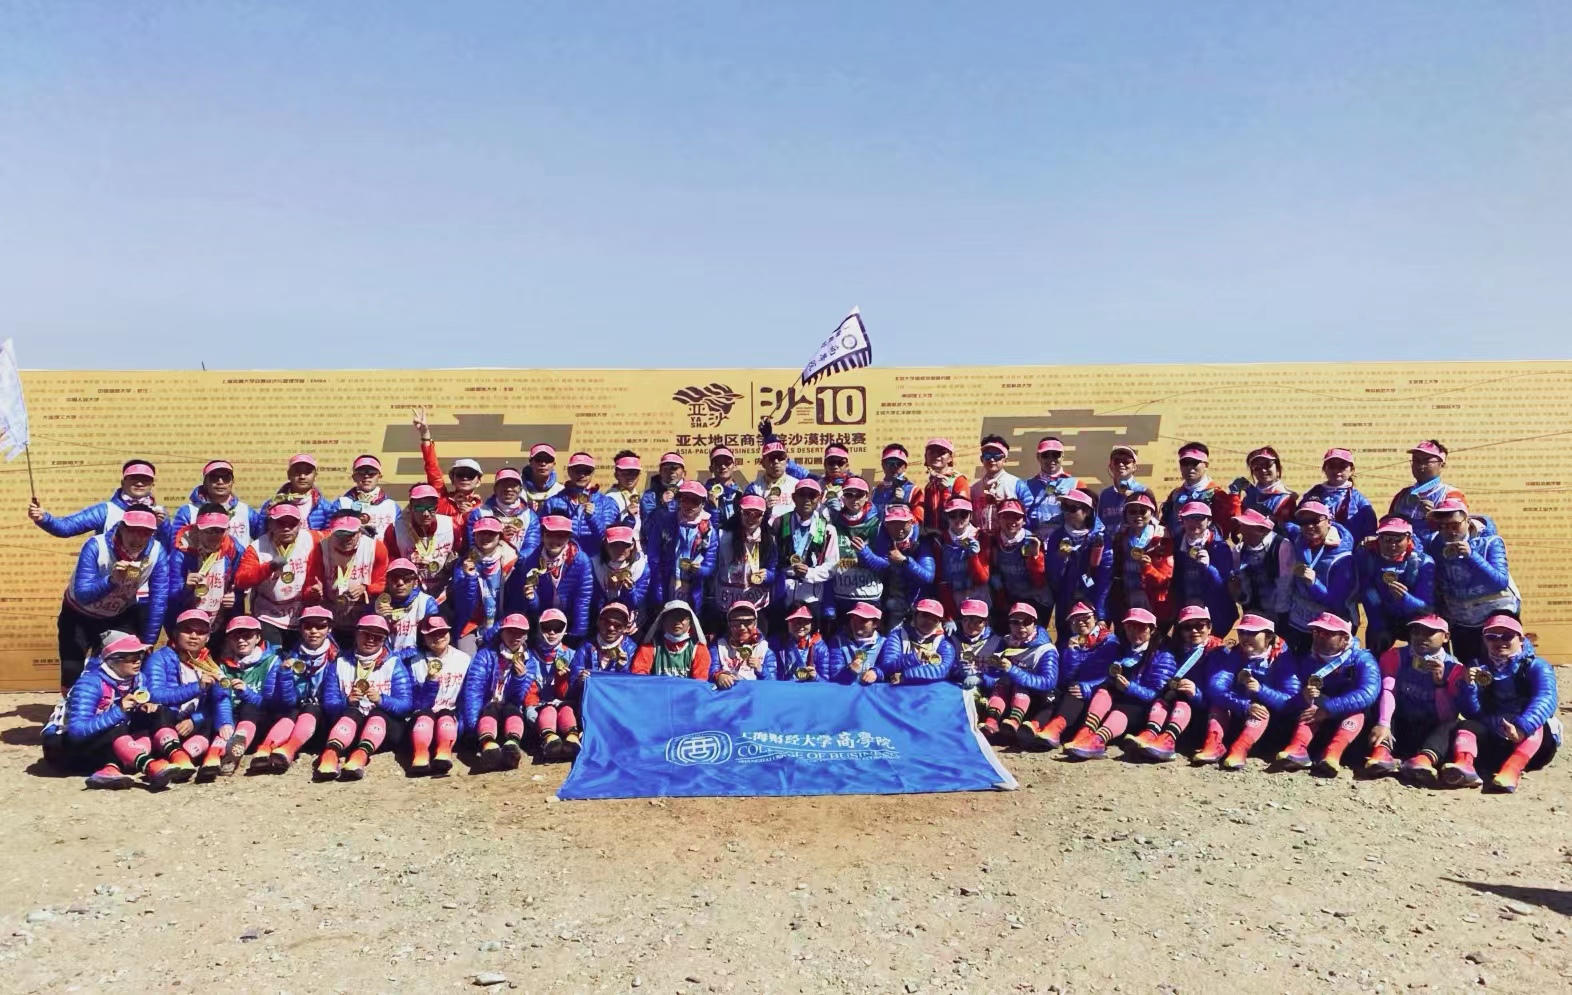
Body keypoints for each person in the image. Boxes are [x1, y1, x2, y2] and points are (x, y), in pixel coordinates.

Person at [58, 507, 171, 692]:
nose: (138, 539)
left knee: (121, 667)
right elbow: (82, 595)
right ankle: (71, 707)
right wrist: (111, 581)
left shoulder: (157, 552)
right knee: (72, 672)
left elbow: (159, 600)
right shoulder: (96, 546)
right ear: (122, 528)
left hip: (118, 615)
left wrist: (149, 641)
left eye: (145, 532)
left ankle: (113, 707)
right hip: (79, 615)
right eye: (133, 531)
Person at [1453, 615, 1559, 793]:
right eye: (1491, 637)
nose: (1499, 642)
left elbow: (1546, 698)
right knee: (1467, 726)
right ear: (1484, 640)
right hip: (1494, 736)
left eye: (1507, 636)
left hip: (1531, 743)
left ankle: (1512, 769)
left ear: (1521, 639)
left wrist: (1522, 727)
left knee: (1539, 725)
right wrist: (1468, 686)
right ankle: (1464, 766)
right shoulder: (1478, 667)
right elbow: (1472, 713)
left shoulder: (1537, 666)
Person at [59, 633, 176, 790]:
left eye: (140, 655)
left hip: (106, 740)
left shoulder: (137, 678)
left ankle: (110, 769)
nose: (138, 661)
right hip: (67, 746)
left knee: (156, 713)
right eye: (130, 658)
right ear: (112, 660)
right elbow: (77, 730)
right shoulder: (90, 683)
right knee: (116, 727)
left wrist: (142, 707)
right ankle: (150, 766)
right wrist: (119, 710)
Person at [1060, 608, 1178, 760]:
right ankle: (1085, 732)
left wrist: (1130, 688)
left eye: (1141, 627)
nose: (1134, 632)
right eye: (1130, 627)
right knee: (1104, 690)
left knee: (1121, 709)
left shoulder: (1163, 656)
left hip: (1145, 708)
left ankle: (1098, 741)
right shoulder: (1122, 649)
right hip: (1121, 700)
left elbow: (1158, 694)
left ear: (1152, 629)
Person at [1274, 613, 1379, 778]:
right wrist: (1304, 695)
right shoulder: (1307, 659)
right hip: (1318, 721)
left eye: (1328, 633)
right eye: (1317, 632)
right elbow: (1292, 693)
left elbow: (1367, 693)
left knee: (1357, 712)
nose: (1320, 637)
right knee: (1309, 707)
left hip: (1349, 724)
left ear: (1345, 638)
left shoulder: (1362, 659)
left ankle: (1332, 755)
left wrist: (1328, 709)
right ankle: (1298, 749)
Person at [1363, 615, 1464, 783]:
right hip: (1398, 725)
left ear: (1446, 637)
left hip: (1429, 729)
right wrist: (1383, 723)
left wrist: (1440, 684)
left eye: (1430, 632)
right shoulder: (1394, 656)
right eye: (1416, 631)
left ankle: (1424, 760)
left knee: (1453, 724)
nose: (1421, 637)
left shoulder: (1455, 668)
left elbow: (1447, 717)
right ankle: (1381, 753)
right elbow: (1388, 690)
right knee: (1378, 705)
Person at [315, 614, 413, 781]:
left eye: (378, 637)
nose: (371, 640)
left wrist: (382, 700)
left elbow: (406, 706)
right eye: (366, 635)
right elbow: (329, 704)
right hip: (348, 727)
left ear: (384, 640)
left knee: (378, 714)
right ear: (356, 634)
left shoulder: (394, 664)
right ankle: (330, 756)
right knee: (351, 711)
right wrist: (347, 701)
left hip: (382, 731)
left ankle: (360, 757)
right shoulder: (340, 663)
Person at [1194, 614, 1299, 770]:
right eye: (1242, 632)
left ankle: (1240, 749)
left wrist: (1261, 691)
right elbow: (1216, 687)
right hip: (1238, 713)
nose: (1245, 637)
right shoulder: (1233, 654)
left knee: (1261, 711)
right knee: (1217, 705)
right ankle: (1213, 744)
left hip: (1272, 723)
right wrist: (1245, 705)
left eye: (1252, 633)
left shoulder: (1282, 658)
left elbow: (1291, 700)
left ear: (1269, 636)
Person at [141, 609, 231, 782]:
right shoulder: (159, 659)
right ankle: (178, 758)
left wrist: (194, 720)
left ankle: (184, 759)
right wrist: (197, 687)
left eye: (201, 632)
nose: (194, 636)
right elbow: (154, 695)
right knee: (158, 711)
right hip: (165, 721)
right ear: (175, 633)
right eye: (187, 630)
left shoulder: (209, 663)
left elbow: (219, 699)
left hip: (189, 723)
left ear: (208, 637)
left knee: (214, 720)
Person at [1129, 605, 1226, 761]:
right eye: (1187, 627)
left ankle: (1169, 741)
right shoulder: (1176, 650)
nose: (1194, 631)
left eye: (1199, 625)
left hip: (1205, 711)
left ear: (1209, 627)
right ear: (1180, 631)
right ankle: (1150, 734)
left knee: (1182, 702)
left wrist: (1196, 693)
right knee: (1162, 701)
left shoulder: (1219, 652)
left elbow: (1220, 692)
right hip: (1179, 711)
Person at [1427, 499, 1519, 664]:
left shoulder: (1490, 542)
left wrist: (1472, 556)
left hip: (1495, 614)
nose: (1450, 531)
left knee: (1499, 662)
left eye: (1455, 525)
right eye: (1443, 526)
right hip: (1461, 619)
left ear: (1467, 521)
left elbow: (1499, 582)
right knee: (1469, 666)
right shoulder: (1437, 545)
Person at [250, 605, 340, 773]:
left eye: (320, 626)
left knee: (311, 709)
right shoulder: (290, 656)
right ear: (300, 629)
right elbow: (288, 701)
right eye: (308, 626)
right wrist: (285, 674)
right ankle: (265, 749)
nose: (314, 631)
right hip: (296, 713)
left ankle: (288, 750)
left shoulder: (337, 657)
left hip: (323, 719)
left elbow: (333, 701)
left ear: (329, 629)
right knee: (291, 711)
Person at [234, 502, 321, 648]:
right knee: (273, 655)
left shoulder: (311, 538)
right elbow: (241, 580)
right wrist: (269, 567)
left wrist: (360, 531)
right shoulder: (257, 547)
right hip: (268, 615)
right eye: (281, 523)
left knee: (298, 658)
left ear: (300, 524)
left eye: (292, 524)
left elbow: (336, 536)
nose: (286, 528)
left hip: (301, 615)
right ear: (270, 524)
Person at [209, 614, 284, 778]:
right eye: (235, 636)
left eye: (247, 635)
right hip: (234, 719)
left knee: (249, 707)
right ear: (229, 640)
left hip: (259, 721)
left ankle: (233, 755)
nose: (241, 640)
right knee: (220, 718)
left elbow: (271, 703)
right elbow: (222, 698)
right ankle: (213, 758)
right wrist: (225, 721)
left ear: (258, 637)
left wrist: (247, 693)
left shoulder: (272, 662)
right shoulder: (222, 665)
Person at [458, 613, 534, 770]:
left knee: (512, 709)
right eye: (510, 631)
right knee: (491, 708)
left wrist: (519, 678)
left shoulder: (529, 660)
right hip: (485, 715)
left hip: (510, 714)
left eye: (520, 632)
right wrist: (473, 726)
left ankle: (512, 747)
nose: (515, 637)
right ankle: (488, 748)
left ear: (526, 635)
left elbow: (518, 698)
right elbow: (474, 690)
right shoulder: (485, 655)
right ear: (501, 632)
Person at [976, 603, 1058, 742]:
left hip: (1036, 698)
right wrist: (987, 677)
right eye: (1015, 622)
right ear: (1009, 624)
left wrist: (1012, 671)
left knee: (1019, 686)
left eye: (1027, 621)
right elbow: (992, 675)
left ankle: (1016, 722)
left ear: (1035, 623)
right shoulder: (1005, 642)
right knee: (1002, 684)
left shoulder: (1046, 649)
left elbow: (1049, 682)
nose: (1021, 626)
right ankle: (991, 722)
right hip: (1006, 697)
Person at [1281, 501, 1356, 654]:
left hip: (1330, 628)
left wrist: (1314, 584)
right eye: (1304, 522)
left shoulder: (1342, 558)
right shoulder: (1299, 537)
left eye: (1315, 521)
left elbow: (1337, 603)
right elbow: (1287, 526)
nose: (1309, 526)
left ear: (1329, 521)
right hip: (1298, 621)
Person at [401, 614, 471, 776]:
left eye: (442, 632)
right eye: (431, 634)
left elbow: (467, 698)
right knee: (425, 717)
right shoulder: (414, 662)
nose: (438, 637)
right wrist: (430, 683)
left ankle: (444, 754)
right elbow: (415, 704)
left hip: (451, 718)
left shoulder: (464, 659)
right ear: (423, 637)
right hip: (421, 719)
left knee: (446, 716)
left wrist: (465, 725)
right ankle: (420, 755)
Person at [507, 515, 593, 645]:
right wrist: (531, 598)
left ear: (569, 537)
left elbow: (582, 600)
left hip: (569, 620)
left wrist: (577, 635)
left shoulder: (581, 560)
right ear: (542, 535)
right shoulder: (531, 560)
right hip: (542, 623)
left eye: (561, 536)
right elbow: (532, 607)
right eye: (550, 535)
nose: (555, 540)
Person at [1357, 517, 1436, 656]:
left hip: (1414, 619)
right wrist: (1379, 624)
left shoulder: (1423, 563)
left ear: (1409, 538)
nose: (1392, 545)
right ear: (1379, 539)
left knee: (1425, 642)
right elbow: (1367, 592)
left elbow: (1427, 607)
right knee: (1377, 641)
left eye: (1398, 540)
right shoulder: (1367, 558)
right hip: (1382, 616)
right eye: (1387, 539)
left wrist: (1405, 599)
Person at [164, 503, 241, 641]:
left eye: (219, 530)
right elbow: (169, 597)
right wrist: (186, 587)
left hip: (220, 621)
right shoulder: (182, 552)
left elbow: (239, 586)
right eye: (208, 530)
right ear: (197, 529)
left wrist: (234, 597)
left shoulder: (235, 550)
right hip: (188, 626)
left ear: (227, 530)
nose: (214, 535)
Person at [29, 459, 163, 538]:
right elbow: (66, 528)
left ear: (152, 484)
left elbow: (167, 548)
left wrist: (162, 526)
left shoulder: (159, 513)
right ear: (123, 482)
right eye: (134, 478)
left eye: (145, 479)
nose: (139, 483)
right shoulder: (105, 511)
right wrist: (44, 518)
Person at [317, 505, 389, 647]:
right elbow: (314, 579)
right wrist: (315, 590)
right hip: (333, 615)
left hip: (364, 616)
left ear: (360, 531)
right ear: (331, 531)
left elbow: (383, 581)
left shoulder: (375, 547)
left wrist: (366, 588)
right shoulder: (322, 547)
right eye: (340, 535)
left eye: (351, 534)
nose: (346, 539)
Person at [857, 503, 934, 634]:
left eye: (902, 523)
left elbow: (928, 577)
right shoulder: (883, 537)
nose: (898, 529)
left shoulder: (922, 540)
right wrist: (864, 552)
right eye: (893, 523)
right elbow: (882, 566)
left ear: (911, 521)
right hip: (892, 604)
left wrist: (905, 561)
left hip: (919, 606)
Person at [447, 516, 519, 655]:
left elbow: (514, 605)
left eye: (491, 533)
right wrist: (470, 578)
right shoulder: (463, 564)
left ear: (500, 536)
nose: (485, 537)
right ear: (474, 536)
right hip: (470, 626)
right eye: (481, 533)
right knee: (467, 661)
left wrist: (496, 628)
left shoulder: (511, 562)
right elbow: (464, 606)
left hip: (502, 624)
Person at [772, 478, 838, 623]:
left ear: (819, 498)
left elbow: (832, 567)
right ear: (794, 497)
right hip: (783, 593)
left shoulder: (827, 529)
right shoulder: (779, 523)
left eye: (812, 495)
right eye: (802, 494)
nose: (807, 499)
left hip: (812, 596)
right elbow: (771, 559)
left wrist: (809, 573)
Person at [647, 481, 719, 616]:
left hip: (693, 591)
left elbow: (710, 565)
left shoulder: (709, 531)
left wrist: (700, 570)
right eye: (685, 499)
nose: (689, 505)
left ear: (703, 504)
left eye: (695, 501)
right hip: (666, 586)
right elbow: (653, 557)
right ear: (679, 500)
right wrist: (658, 589)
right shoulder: (664, 522)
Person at [1044, 489, 1111, 632]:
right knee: (1066, 637)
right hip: (1065, 599)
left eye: (1073, 508)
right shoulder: (1057, 536)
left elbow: (1105, 577)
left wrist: (1100, 613)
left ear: (1087, 512)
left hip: (1091, 597)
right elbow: (1052, 575)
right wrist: (1060, 559)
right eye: (1064, 507)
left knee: (1091, 638)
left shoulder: (1100, 537)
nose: (1067, 512)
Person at [1106, 492, 1173, 631]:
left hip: (1154, 600)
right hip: (1127, 597)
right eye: (1132, 511)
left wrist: (1148, 568)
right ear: (1125, 514)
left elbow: (1166, 578)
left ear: (1152, 513)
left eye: (1143, 511)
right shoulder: (1120, 537)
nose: (1138, 516)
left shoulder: (1162, 538)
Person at [384, 484, 459, 606]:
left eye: (431, 508)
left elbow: (460, 556)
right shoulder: (395, 529)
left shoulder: (451, 526)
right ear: (411, 507)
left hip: (444, 592)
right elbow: (390, 562)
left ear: (437, 507)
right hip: (410, 593)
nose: (426, 513)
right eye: (419, 508)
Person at [412, 407, 486, 529]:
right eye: (460, 474)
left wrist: (471, 516)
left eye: (470, 475)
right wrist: (425, 435)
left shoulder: (484, 509)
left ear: (479, 481)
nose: (465, 478)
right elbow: (432, 468)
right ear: (452, 478)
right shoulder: (441, 499)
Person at [1170, 502, 1237, 636]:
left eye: (1199, 518)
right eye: (1189, 518)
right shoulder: (1176, 543)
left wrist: (1209, 568)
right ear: (1182, 521)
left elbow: (1224, 586)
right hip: (1186, 609)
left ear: (1209, 521)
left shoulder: (1220, 547)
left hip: (1215, 611)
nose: (1193, 523)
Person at [168, 459, 262, 550]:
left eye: (226, 478)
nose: (220, 482)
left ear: (232, 481)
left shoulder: (246, 511)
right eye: (214, 477)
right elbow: (176, 546)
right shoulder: (188, 512)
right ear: (205, 482)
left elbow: (264, 540)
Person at [711, 495, 774, 629]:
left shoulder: (769, 539)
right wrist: (714, 510)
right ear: (740, 512)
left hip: (756, 603)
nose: (751, 518)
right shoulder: (724, 535)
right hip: (727, 602)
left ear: (763, 516)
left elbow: (774, 570)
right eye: (747, 513)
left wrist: (768, 575)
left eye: (757, 514)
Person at [528, 608, 580, 759]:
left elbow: (569, 694)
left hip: (563, 705)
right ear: (539, 628)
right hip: (537, 708)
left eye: (557, 628)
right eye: (546, 627)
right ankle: (549, 740)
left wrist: (562, 680)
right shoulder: (529, 655)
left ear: (564, 630)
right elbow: (528, 693)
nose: (552, 632)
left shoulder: (571, 655)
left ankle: (572, 739)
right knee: (548, 710)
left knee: (567, 709)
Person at [828, 477, 883, 621]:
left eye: (859, 494)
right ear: (843, 497)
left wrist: (865, 554)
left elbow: (885, 565)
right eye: (849, 494)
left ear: (867, 496)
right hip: (841, 596)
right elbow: (826, 563)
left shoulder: (878, 523)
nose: (854, 499)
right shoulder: (833, 521)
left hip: (869, 596)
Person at [1389, 440, 1466, 542]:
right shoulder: (1402, 495)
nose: (1420, 466)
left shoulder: (1451, 495)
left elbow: (1458, 532)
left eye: (1426, 461)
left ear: (1441, 465)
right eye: (1416, 460)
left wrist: (1436, 517)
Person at [543, 452, 617, 556]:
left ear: (593, 472)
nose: (582, 475)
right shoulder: (553, 502)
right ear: (569, 471)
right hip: (563, 558)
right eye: (577, 471)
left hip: (596, 558)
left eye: (587, 471)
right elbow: (542, 535)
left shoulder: (606, 502)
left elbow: (607, 538)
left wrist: (592, 518)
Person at [1230, 509, 1293, 631]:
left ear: (1262, 530)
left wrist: (1279, 620)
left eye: (1246, 526)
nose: (1241, 530)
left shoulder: (1282, 546)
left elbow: (1285, 585)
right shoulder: (1238, 550)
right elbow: (1241, 584)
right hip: (1251, 614)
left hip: (1278, 617)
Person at [1160, 443, 1239, 537]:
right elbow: (1164, 523)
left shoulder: (1216, 494)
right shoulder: (1175, 494)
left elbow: (1225, 527)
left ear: (1206, 465)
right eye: (1185, 462)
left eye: (1194, 462)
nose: (1189, 467)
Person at [1302, 448, 1378, 544]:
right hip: (1316, 548)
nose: (1336, 471)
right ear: (1324, 469)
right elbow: (1296, 521)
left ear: (1352, 470)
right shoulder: (1313, 494)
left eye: (1342, 467)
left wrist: (1369, 537)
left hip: (1349, 549)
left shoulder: (1358, 500)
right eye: (1332, 466)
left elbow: (1370, 530)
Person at [988, 500, 1046, 626]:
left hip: (1034, 599)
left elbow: (1039, 581)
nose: (1011, 521)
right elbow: (994, 571)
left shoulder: (1032, 541)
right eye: (1006, 516)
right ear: (998, 519)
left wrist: (1035, 557)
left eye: (1016, 517)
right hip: (1008, 599)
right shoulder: (993, 541)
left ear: (1024, 520)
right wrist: (1000, 598)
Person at [876, 599, 958, 684]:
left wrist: (905, 676)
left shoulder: (944, 645)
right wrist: (914, 658)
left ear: (938, 623)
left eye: (935, 619)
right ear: (915, 615)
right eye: (925, 615)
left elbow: (942, 670)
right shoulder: (897, 636)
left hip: (929, 690)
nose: (929, 621)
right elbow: (888, 666)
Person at [931, 497, 989, 617]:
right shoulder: (939, 541)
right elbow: (940, 579)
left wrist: (974, 557)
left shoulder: (982, 537)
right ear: (947, 517)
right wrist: (949, 614)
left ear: (970, 515)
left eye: (963, 514)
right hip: (951, 600)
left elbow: (982, 580)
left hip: (978, 599)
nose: (958, 519)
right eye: (953, 515)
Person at [466, 467, 540, 558]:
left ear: (520, 489)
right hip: (486, 564)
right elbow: (473, 547)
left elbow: (531, 547)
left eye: (513, 485)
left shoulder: (530, 516)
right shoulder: (479, 513)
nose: (508, 489)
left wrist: (513, 560)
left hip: (519, 565)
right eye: (503, 484)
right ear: (495, 489)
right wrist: (499, 538)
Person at [589, 525, 651, 628]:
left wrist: (629, 591)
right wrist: (609, 594)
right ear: (606, 545)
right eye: (614, 545)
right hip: (600, 618)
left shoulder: (641, 568)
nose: (619, 550)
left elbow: (637, 603)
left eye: (625, 545)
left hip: (630, 618)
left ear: (632, 545)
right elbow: (592, 601)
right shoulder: (594, 565)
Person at [971, 435, 1030, 544]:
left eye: (997, 456)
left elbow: (1029, 515)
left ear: (1005, 460)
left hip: (1009, 543)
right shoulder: (974, 489)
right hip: (982, 543)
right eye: (987, 455)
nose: (992, 459)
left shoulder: (1017, 484)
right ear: (981, 459)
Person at [630, 601, 712, 679]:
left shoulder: (698, 648)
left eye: (682, 618)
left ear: (690, 623)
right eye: (672, 617)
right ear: (663, 621)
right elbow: (639, 676)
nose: (677, 622)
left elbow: (700, 681)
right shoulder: (650, 646)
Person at [1022, 437, 1083, 538]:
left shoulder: (1077, 485)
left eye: (1055, 455)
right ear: (1038, 457)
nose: (1051, 460)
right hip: (1034, 544)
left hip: (1065, 543)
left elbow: (1088, 518)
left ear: (1062, 456)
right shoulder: (1025, 486)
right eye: (1046, 455)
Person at [375, 558, 441, 650]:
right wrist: (379, 620)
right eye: (394, 579)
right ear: (387, 583)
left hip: (419, 655)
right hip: (389, 656)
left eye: (406, 579)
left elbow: (434, 636)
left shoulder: (427, 602)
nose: (400, 583)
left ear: (415, 583)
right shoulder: (379, 604)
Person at [708, 601, 778, 688]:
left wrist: (760, 669)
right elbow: (710, 672)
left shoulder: (765, 650)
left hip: (754, 694)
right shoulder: (718, 646)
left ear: (755, 623)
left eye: (748, 622)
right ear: (729, 624)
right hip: (727, 694)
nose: (742, 627)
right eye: (736, 622)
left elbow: (773, 683)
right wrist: (719, 676)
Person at [571, 602, 639, 684]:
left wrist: (622, 668)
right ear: (598, 622)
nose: (611, 628)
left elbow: (632, 684)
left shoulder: (631, 649)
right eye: (606, 622)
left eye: (618, 625)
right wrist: (580, 679)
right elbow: (573, 678)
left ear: (625, 628)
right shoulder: (586, 646)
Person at [259, 454, 331, 531]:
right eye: (297, 471)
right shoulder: (271, 505)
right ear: (289, 475)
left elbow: (329, 535)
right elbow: (262, 534)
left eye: (308, 472)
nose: (302, 477)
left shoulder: (326, 507)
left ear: (315, 476)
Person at [1233, 446, 1299, 530]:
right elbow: (1236, 525)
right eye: (1257, 467)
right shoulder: (1249, 497)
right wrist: (1234, 496)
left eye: (1268, 465)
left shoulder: (1286, 499)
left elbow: (1286, 529)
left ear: (1277, 467)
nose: (1263, 470)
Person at [822, 602, 888, 684]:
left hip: (874, 692)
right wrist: (849, 671)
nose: (857, 623)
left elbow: (888, 670)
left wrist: (876, 673)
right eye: (854, 619)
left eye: (863, 620)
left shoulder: (885, 643)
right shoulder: (837, 642)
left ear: (876, 624)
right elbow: (834, 676)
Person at [919, 439, 968, 539]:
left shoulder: (958, 480)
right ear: (926, 457)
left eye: (942, 452)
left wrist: (947, 491)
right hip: (933, 538)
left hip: (953, 538)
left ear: (950, 458)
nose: (936, 456)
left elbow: (963, 513)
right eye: (932, 452)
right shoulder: (929, 485)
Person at [1095, 445, 1150, 535]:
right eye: (1116, 461)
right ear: (1111, 466)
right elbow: (1099, 523)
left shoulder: (1143, 491)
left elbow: (1152, 524)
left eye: (1126, 461)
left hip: (1134, 543)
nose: (1121, 464)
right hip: (1109, 543)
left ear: (1134, 467)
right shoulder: (1105, 494)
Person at [344, 455, 401, 537]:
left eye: (372, 472)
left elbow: (401, 536)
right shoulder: (342, 503)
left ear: (379, 476)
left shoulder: (392, 506)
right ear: (354, 477)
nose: (366, 476)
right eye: (361, 472)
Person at [749, 440, 803, 523]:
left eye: (780, 457)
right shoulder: (753, 488)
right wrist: (762, 507)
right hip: (764, 530)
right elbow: (747, 519)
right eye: (771, 458)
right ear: (763, 463)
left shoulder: (797, 485)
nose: (776, 461)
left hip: (789, 530)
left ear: (787, 461)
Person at [640, 452, 687, 545]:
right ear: (660, 472)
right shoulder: (649, 495)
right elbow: (648, 526)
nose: (671, 471)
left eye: (675, 468)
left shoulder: (691, 492)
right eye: (666, 468)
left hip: (684, 544)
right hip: (658, 545)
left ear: (684, 472)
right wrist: (662, 506)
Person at [772, 603, 827, 681]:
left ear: (812, 623)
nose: (799, 625)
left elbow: (826, 682)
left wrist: (815, 677)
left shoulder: (820, 647)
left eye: (805, 620)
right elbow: (771, 675)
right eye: (794, 620)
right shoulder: (776, 644)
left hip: (809, 688)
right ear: (787, 623)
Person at [871, 443, 920, 528]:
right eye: (890, 463)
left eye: (899, 464)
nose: (894, 467)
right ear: (883, 465)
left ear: (905, 467)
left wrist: (903, 504)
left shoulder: (914, 491)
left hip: (903, 536)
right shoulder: (875, 491)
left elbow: (918, 522)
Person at [606, 452, 645, 537]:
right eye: (625, 473)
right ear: (616, 475)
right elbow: (609, 531)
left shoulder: (639, 495)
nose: (630, 477)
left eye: (634, 472)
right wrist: (629, 519)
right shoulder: (610, 499)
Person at [522, 443, 566, 513]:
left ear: (554, 464)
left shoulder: (561, 491)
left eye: (548, 460)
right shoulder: (519, 489)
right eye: (538, 459)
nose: (543, 464)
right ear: (530, 462)